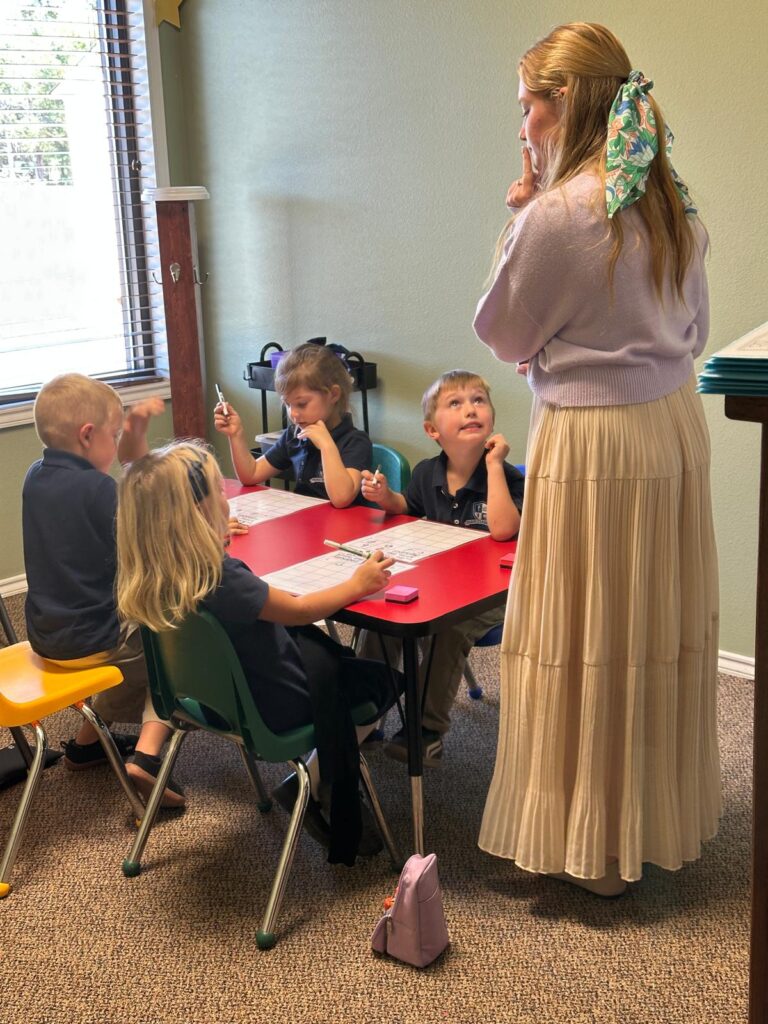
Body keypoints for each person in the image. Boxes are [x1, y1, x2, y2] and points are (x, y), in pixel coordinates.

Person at [473, 22, 719, 896]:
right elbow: (694, 328)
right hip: (670, 426)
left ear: (565, 103)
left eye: (527, 106)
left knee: (585, 630)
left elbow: (503, 333)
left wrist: (519, 215)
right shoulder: (669, 201)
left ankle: (595, 846)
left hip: (593, 440)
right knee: (647, 624)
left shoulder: (559, 214)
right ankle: (644, 820)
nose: (522, 126)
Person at [115, 440, 403, 865]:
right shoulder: (222, 577)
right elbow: (301, 610)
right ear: (197, 513)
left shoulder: (156, 573)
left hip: (206, 702)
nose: (227, 499)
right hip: (272, 708)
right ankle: (311, 781)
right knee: (380, 684)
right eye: (219, 491)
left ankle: (312, 778)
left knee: (331, 659)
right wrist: (357, 584)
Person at [21, 373, 183, 806]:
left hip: (45, 635)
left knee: (128, 623)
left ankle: (86, 744)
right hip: (91, 641)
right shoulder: (97, 488)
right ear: (87, 435)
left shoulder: (34, 477)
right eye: (114, 436)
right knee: (172, 640)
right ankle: (148, 757)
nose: (115, 446)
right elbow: (149, 548)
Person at [359, 370, 524, 764]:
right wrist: (386, 497)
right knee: (385, 614)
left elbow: (504, 530)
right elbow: (408, 508)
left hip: (494, 595)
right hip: (441, 583)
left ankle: (426, 728)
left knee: (447, 628)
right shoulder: (426, 473)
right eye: (456, 403)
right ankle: (366, 711)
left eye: (478, 400)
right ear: (433, 430)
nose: (471, 409)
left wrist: (495, 466)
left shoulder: (506, 476)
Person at [214, 342, 371, 507]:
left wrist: (326, 446)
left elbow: (341, 499)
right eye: (288, 404)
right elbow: (251, 474)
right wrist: (236, 434)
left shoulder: (355, 441)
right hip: (306, 517)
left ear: (333, 394)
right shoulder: (294, 434)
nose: (293, 414)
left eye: (302, 404)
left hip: (345, 522)